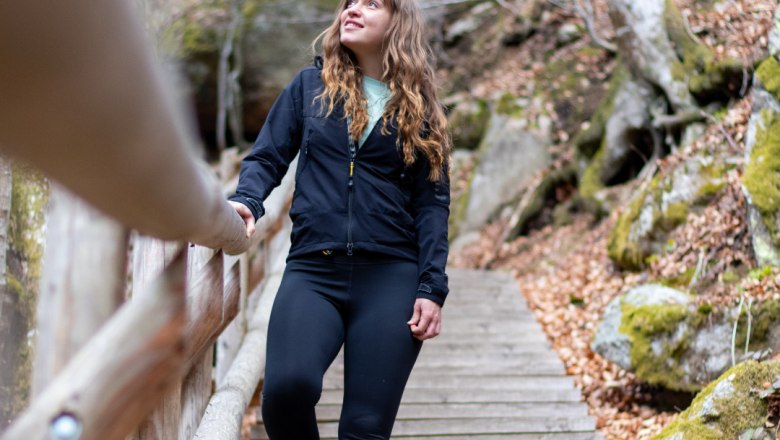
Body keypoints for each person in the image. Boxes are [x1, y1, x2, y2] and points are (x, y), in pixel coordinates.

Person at [228, 0, 450, 437]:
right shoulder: (310, 87)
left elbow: (431, 204)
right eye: (349, 2)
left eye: (371, 3)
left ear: (397, 23)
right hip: (314, 268)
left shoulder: (419, 108)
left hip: (392, 276)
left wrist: (431, 287)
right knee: (287, 391)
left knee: (365, 427)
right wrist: (248, 200)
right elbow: (269, 154)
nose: (353, 9)